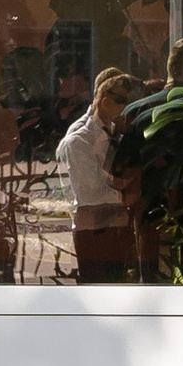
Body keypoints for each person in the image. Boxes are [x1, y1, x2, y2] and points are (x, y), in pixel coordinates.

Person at [55, 64, 136, 283]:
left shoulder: (109, 130)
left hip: (112, 225)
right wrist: (126, 195)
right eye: (123, 102)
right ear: (106, 101)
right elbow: (88, 193)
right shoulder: (80, 139)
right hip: (93, 229)